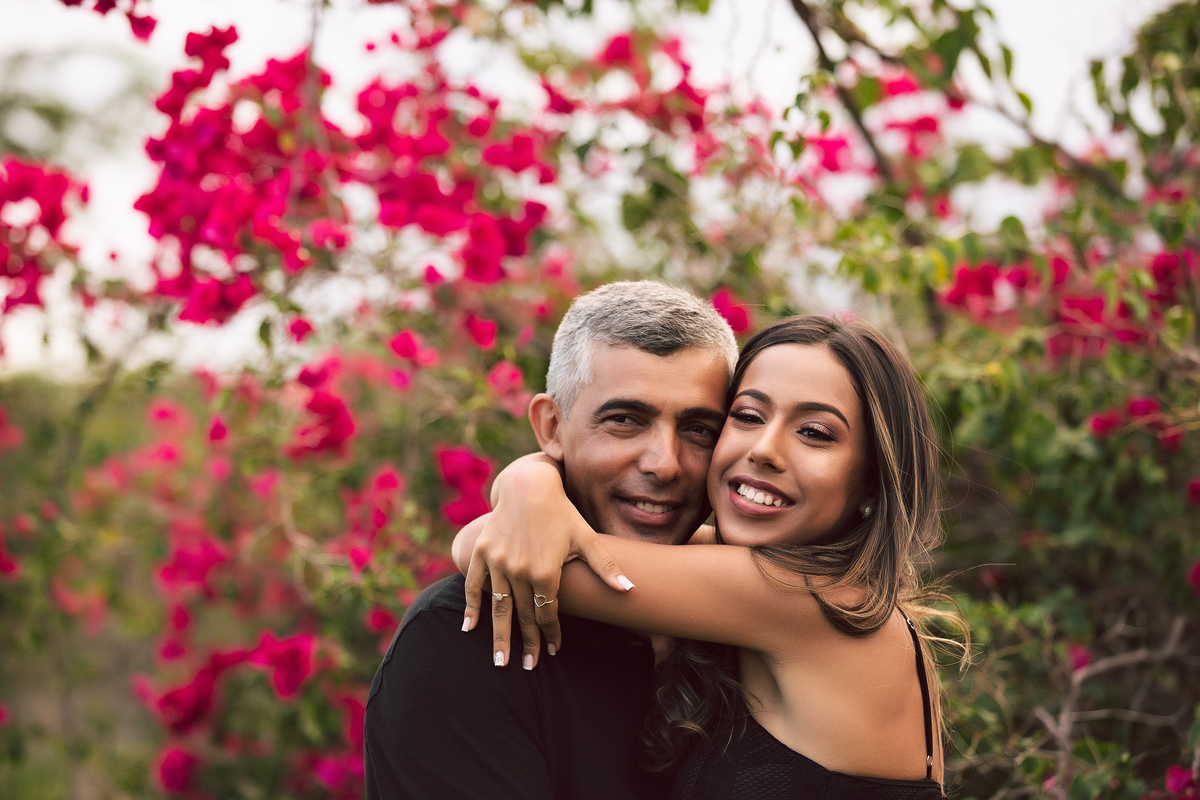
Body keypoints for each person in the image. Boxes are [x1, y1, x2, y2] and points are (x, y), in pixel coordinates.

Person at [457, 315, 959, 799]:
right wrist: (533, 476)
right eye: (747, 415)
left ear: (873, 480)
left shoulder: (805, 600)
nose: (765, 449)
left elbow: (486, 542)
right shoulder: (823, 591)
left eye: (815, 433)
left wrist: (532, 479)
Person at [363, 281, 739, 799]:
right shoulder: (457, 639)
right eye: (625, 421)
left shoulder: (747, 618)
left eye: (699, 429)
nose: (665, 464)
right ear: (551, 426)